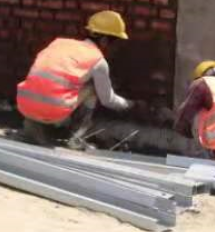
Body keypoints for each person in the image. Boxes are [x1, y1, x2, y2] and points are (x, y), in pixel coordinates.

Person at [16, 10, 137, 149]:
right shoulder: (97, 61)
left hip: (24, 105)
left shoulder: (59, 43)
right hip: (52, 112)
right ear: (104, 40)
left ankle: (32, 130)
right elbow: (107, 100)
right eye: (114, 41)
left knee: (45, 86)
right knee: (93, 89)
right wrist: (129, 105)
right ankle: (76, 139)